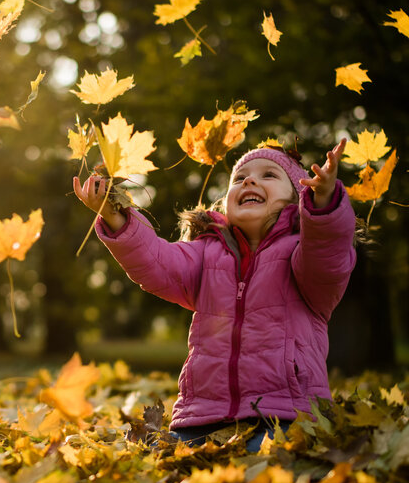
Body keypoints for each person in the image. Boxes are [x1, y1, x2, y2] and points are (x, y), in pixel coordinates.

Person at [73, 139, 356, 452]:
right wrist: (115, 217)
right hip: (204, 416)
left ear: (297, 199)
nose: (250, 180)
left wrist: (325, 205)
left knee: (266, 464)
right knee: (165, 460)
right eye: (239, 178)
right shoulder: (206, 253)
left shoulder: (303, 254)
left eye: (269, 176)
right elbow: (157, 263)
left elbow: (328, 255)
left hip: (285, 414)